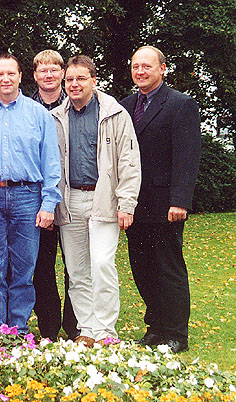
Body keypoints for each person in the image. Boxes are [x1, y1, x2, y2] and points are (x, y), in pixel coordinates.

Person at [51, 55, 141, 347]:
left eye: (81, 78)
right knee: (77, 271)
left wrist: (126, 203)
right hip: (70, 200)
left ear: (93, 80)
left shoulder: (114, 114)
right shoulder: (57, 117)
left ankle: (105, 331)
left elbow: (129, 161)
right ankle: (87, 328)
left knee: (102, 264)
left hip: (104, 200)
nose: (74, 84)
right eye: (70, 79)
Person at [121, 46, 201, 353]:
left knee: (168, 268)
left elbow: (187, 157)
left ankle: (176, 333)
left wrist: (180, 200)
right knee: (142, 269)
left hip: (166, 205)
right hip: (134, 204)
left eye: (147, 66)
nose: (140, 71)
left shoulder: (181, 104)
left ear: (162, 69)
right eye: (136, 66)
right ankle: (155, 328)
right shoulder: (126, 106)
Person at [0, 54, 61, 334]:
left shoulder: (39, 114)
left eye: (11, 73)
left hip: (28, 197)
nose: (5, 79)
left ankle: (18, 329)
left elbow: (51, 162)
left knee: (24, 271)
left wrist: (48, 203)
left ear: (21, 76)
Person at [31, 49, 79, 341]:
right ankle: (48, 327)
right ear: (35, 75)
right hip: (41, 199)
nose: (48, 75)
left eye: (53, 70)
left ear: (62, 73)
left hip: (74, 196)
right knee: (42, 266)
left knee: (75, 266)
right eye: (42, 70)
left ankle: (75, 326)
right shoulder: (27, 108)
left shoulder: (78, 104)